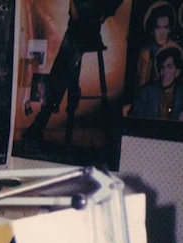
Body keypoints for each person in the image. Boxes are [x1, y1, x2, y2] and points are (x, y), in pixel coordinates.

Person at [22, 0, 123, 142]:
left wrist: (105, 13)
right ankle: (67, 94)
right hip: (76, 30)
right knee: (67, 58)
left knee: (65, 59)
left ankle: (45, 115)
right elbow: (74, 14)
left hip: (89, 31)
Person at [130, 44, 183, 120]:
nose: (164, 72)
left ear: (177, 71)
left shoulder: (180, 95)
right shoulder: (144, 94)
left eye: (169, 67)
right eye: (162, 67)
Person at [136, 2, 180, 88]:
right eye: (158, 27)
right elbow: (140, 85)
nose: (162, 33)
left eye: (166, 27)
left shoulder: (176, 52)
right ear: (152, 30)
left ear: (170, 29)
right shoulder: (146, 52)